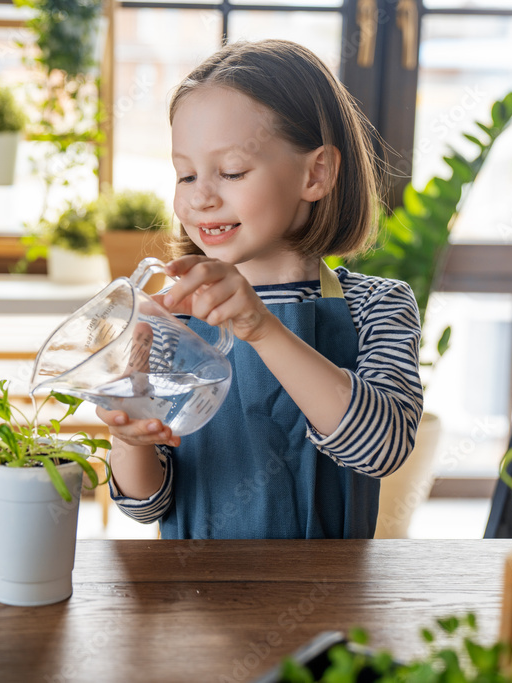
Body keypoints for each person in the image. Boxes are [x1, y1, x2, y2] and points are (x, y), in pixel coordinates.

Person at [97, 39, 423, 540]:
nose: (201, 196)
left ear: (316, 173)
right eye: (185, 174)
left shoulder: (375, 306)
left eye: (231, 171)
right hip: (195, 603)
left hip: (328, 601)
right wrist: (130, 438)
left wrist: (260, 327)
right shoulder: (173, 318)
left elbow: (381, 449)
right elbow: (148, 505)